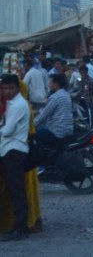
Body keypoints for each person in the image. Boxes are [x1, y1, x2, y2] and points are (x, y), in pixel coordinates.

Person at [0, 73, 31, 241]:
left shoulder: (19, 105)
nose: (7, 91)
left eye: (11, 88)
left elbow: (8, 130)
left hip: (15, 151)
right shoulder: (8, 104)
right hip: (6, 150)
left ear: (18, 88)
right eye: (5, 88)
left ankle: (20, 227)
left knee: (16, 190)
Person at [34, 73, 74, 149]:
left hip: (57, 132)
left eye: (51, 82)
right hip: (68, 130)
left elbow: (43, 117)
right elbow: (46, 109)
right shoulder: (66, 95)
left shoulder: (55, 97)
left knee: (33, 136)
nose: (49, 84)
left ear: (56, 84)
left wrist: (32, 126)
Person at [77, 65, 93, 131]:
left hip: (91, 100)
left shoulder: (91, 80)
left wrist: (92, 90)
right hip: (82, 102)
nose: (81, 73)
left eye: (82, 72)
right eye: (80, 72)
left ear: (86, 72)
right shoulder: (80, 81)